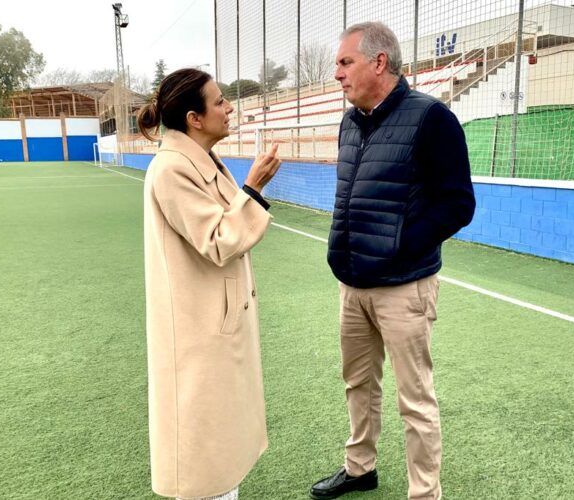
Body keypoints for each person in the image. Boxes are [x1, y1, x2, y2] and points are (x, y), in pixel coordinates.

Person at [310, 23, 476, 500]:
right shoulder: (350, 121)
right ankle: (360, 467)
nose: (336, 73)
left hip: (404, 286)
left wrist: (399, 246)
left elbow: (458, 204)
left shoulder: (431, 118)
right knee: (357, 384)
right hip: (352, 283)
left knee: (415, 400)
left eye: (345, 62)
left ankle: (425, 493)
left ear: (378, 63)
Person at [139, 68, 281, 500]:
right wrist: (253, 189)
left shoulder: (200, 160)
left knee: (221, 459)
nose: (229, 107)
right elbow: (219, 241)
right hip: (197, 337)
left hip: (216, 329)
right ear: (194, 118)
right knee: (203, 466)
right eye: (219, 101)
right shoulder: (171, 170)